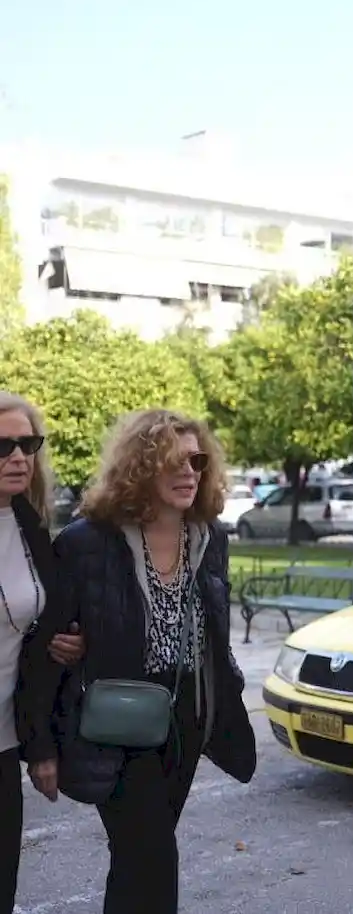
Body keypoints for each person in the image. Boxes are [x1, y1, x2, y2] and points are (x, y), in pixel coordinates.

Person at [52, 408, 257, 914]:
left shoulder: (210, 538)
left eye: (197, 461)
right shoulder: (87, 542)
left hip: (187, 717)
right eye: (173, 461)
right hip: (117, 718)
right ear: (141, 467)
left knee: (138, 856)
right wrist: (60, 645)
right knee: (152, 853)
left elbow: (214, 629)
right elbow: (47, 633)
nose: (189, 472)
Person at [0, 392, 86, 914]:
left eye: (27, 445)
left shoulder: (30, 527)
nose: (18, 457)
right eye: (2, 446)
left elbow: (40, 634)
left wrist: (69, 643)